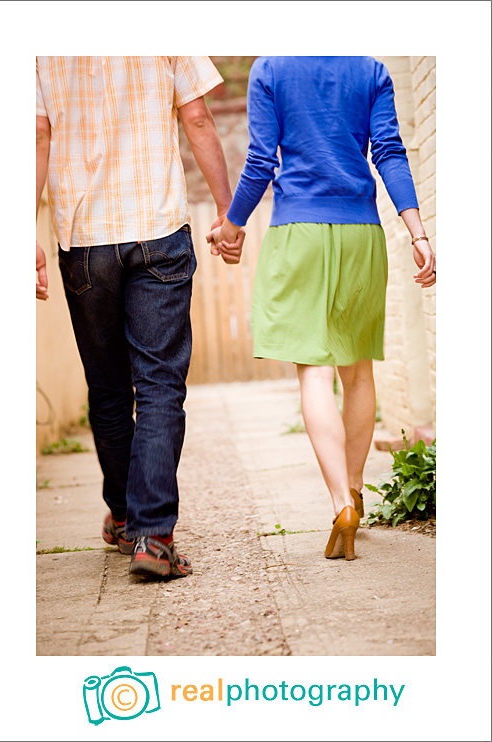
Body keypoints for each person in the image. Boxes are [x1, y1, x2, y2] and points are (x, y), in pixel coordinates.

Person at [207, 56, 436, 561]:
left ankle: (339, 503)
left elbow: (261, 160)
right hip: (361, 232)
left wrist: (231, 223)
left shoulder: (271, 69)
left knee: (314, 374)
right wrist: (417, 231)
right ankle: (355, 491)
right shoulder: (371, 71)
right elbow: (391, 154)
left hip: (300, 234)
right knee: (357, 372)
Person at [36, 56, 244, 578]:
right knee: (158, 385)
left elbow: (37, 134)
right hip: (157, 227)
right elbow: (197, 116)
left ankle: (128, 517)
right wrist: (227, 212)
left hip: (83, 239)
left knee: (108, 387)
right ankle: (152, 536)